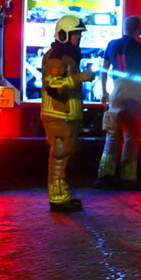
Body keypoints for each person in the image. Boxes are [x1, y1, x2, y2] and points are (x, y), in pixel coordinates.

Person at [93, 15, 141, 190]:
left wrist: (104, 92)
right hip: (135, 92)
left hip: (116, 90)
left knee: (112, 135)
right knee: (131, 136)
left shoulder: (112, 44)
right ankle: (128, 178)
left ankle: (105, 176)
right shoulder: (140, 46)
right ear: (138, 29)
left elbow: (103, 69)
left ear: (124, 28)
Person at [42, 15, 95, 212]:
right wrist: (79, 78)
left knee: (65, 156)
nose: (79, 37)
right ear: (64, 35)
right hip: (58, 115)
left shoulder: (68, 55)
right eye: (76, 34)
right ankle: (57, 198)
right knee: (59, 156)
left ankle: (62, 194)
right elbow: (53, 86)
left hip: (66, 115)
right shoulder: (56, 57)